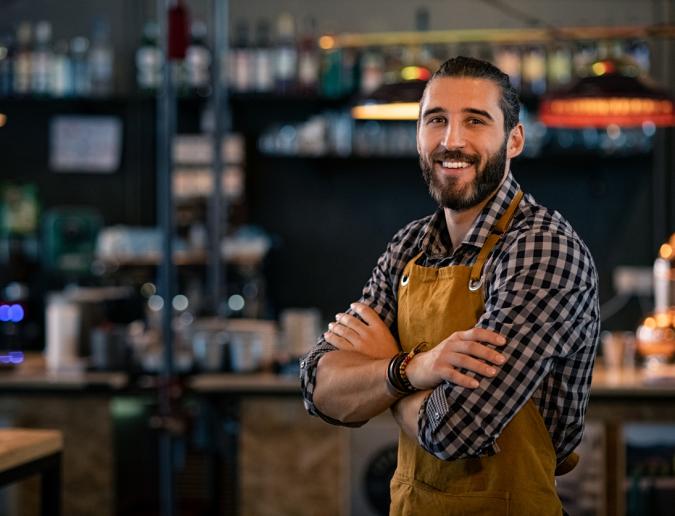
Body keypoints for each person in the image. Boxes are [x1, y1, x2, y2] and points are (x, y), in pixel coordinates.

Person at [300, 56, 599, 515]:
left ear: (514, 139)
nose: (451, 140)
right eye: (435, 120)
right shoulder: (409, 246)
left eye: (475, 121)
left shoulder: (543, 249)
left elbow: (457, 429)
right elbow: (318, 387)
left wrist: (382, 376)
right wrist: (412, 370)